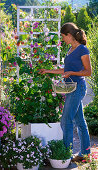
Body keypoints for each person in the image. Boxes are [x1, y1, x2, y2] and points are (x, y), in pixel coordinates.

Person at [39, 22, 92, 162]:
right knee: (80, 121)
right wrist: (47, 71)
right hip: (70, 88)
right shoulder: (70, 50)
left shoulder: (83, 50)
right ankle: (85, 154)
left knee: (66, 121)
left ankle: (66, 155)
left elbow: (88, 72)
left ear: (69, 35)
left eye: (63, 36)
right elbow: (65, 70)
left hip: (78, 88)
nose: (62, 39)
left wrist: (72, 72)